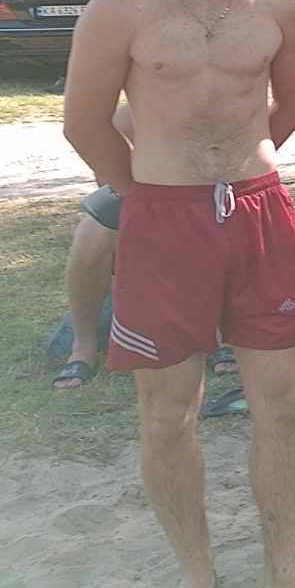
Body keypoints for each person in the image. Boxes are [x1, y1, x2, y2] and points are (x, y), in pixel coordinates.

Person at [62, 0, 295, 588]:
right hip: (162, 218)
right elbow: (84, 124)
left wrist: (239, 174)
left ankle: (287, 578)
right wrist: (146, 199)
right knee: (168, 413)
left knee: (284, 402)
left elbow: (290, 104)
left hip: (259, 213)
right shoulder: (119, 7)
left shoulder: (280, 1)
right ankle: (196, 576)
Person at [53, 104, 240, 391]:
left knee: (202, 227)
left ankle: (218, 333)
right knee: (91, 234)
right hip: (141, 203)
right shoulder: (123, 119)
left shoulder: (216, 109)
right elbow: (110, 184)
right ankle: (83, 346)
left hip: (204, 203)